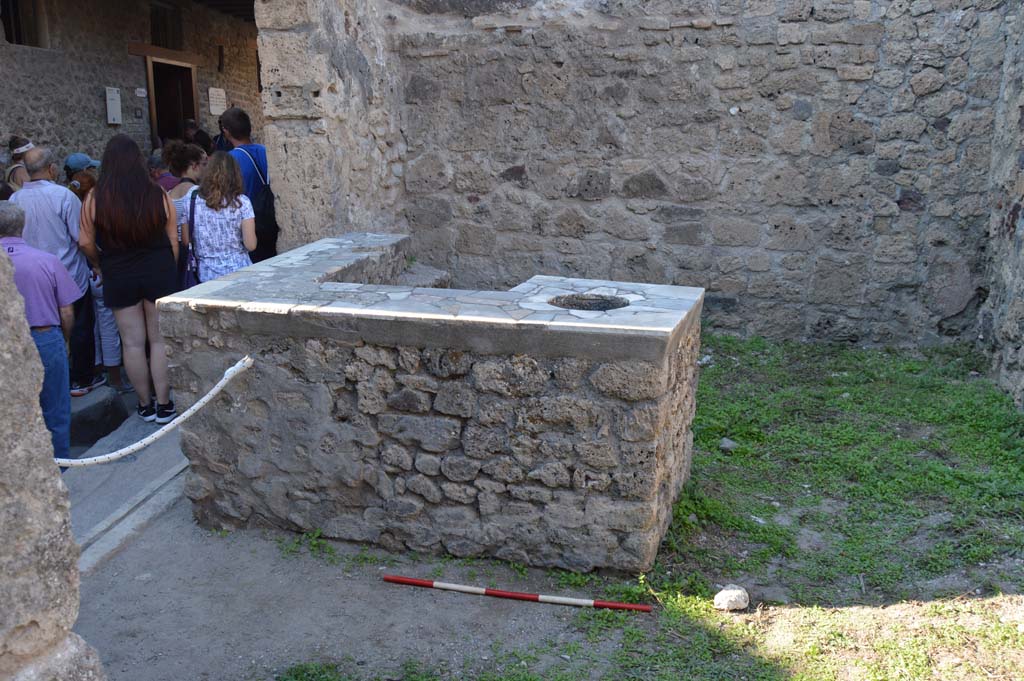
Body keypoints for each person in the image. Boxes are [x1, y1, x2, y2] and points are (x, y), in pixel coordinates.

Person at [79, 134, 179, 424]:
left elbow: (84, 241)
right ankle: (164, 405)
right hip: (158, 267)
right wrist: (167, 268)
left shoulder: (95, 197)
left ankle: (145, 405)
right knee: (158, 340)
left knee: (132, 343)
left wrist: (98, 264)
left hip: (118, 270)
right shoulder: (158, 193)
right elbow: (173, 237)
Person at [10, 146, 104, 396]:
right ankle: (81, 379)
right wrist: (96, 264)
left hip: (33, 277)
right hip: (68, 273)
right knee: (81, 326)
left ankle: (46, 380)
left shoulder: (15, 200)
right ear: (51, 169)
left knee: (42, 328)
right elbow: (80, 237)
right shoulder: (63, 196)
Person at [1, 201, 83, 461]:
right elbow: (67, 312)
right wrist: (65, 340)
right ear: (22, 226)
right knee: (55, 408)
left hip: (5, 344)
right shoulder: (47, 261)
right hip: (44, 336)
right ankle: (59, 467)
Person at [68, 170, 129, 393]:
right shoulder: (97, 210)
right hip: (99, 271)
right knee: (108, 325)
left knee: (90, 326)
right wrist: (98, 264)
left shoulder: (77, 209)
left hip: (81, 273)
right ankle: (115, 377)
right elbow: (85, 242)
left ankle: (95, 368)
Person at [183, 151, 256, 282]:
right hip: (240, 271)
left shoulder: (191, 198)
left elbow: (185, 240)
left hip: (206, 275)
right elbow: (251, 245)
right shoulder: (242, 202)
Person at [221, 107, 278, 261]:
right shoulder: (266, 151)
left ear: (226, 131)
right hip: (271, 219)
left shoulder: (229, 160)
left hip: (247, 226)